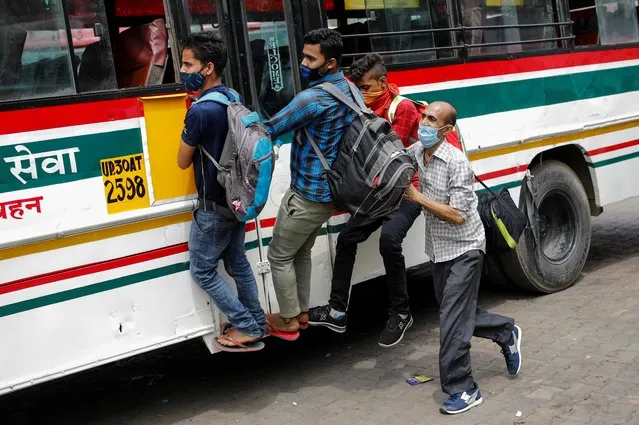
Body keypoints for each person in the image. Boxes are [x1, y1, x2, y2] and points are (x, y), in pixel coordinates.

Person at [404, 101, 523, 415]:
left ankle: (465, 388)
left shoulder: (457, 163)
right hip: (439, 249)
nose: (425, 123)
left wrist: (416, 197)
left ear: (446, 130)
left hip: (466, 247)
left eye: (432, 120)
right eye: (424, 117)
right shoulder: (417, 152)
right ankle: (505, 332)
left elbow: (457, 215)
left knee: (452, 320)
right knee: (457, 311)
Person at [307, 53, 422, 348]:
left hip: (405, 191)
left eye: (367, 88)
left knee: (389, 241)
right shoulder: (359, 108)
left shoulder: (403, 109)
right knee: (346, 239)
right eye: (357, 89)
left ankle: (400, 312)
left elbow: (382, 161)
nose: (362, 95)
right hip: (375, 193)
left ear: (383, 83)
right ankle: (337, 311)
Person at [263, 29, 361, 339]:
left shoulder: (312, 98)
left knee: (278, 255)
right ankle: (302, 312)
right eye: (303, 55)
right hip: (333, 192)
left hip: (308, 194)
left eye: (310, 58)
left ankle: (289, 319)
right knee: (300, 252)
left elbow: (271, 127)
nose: (303, 63)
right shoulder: (350, 89)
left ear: (330, 63)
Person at [177, 32, 266, 352]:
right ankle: (256, 320)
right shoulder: (231, 97)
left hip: (213, 206)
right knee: (237, 263)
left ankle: (244, 324)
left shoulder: (200, 111)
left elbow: (182, 161)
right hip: (237, 199)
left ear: (208, 67)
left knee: (202, 270)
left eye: (189, 64)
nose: (183, 70)